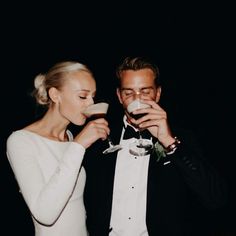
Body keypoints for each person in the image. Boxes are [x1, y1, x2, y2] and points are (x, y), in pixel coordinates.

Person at [83, 56, 227, 236]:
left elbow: (216, 198)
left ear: (158, 93)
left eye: (145, 92)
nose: (137, 99)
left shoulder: (182, 137)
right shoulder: (100, 139)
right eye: (129, 93)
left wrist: (169, 142)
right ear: (119, 96)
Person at [6, 61, 109, 236]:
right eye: (83, 96)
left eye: (93, 96)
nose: (91, 104)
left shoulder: (69, 137)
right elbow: (45, 214)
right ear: (55, 95)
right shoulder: (21, 141)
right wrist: (78, 146)